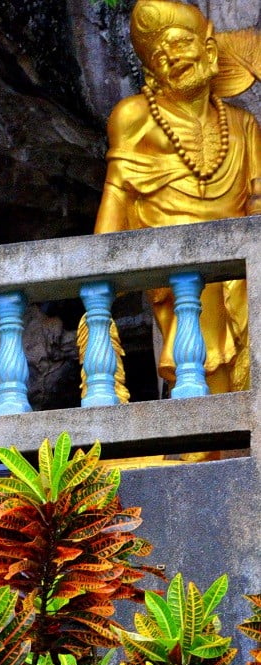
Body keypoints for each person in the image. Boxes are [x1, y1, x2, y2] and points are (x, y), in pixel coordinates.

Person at [95, 0, 261, 391]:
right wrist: (97, 272)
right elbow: (118, 193)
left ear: (209, 50)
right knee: (203, 360)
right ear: (151, 72)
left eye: (180, 43)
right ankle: (210, 447)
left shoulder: (243, 125)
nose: (171, 56)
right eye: (159, 54)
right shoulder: (135, 116)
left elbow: (256, 203)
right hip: (180, 273)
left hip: (241, 271)